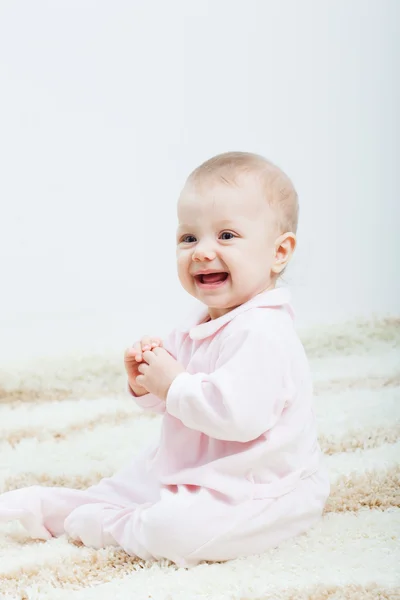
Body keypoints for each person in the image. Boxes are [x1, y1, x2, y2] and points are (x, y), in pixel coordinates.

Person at [0, 151, 330, 567]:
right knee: (133, 479)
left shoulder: (263, 332)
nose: (202, 252)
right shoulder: (201, 322)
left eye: (226, 236)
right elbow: (178, 401)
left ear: (279, 252)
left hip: (259, 486)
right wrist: (146, 384)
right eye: (189, 238)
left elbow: (239, 418)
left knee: (176, 531)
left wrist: (173, 383)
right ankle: (67, 507)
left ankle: (112, 525)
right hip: (198, 463)